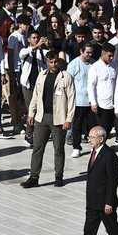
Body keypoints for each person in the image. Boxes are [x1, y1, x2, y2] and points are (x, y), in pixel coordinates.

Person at [21, 51, 76, 188]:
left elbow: (72, 99)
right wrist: (31, 113)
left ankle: (59, 176)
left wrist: (69, 119)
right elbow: (35, 96)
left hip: (58, 118)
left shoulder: (66, 77)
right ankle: (34, 177)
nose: (54, 64)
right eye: (51, 62)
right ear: (46, 62)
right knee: (38, 148)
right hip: (42, 117)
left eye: (56, 61)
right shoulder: (41, 75)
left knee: (58, 149)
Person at [67, 42, 95, 158]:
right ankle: (76, 147)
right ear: (81, 51)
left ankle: (95, 146)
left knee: (92, 125)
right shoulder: (74, 64)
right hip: (79, 100)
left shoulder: (93, 64)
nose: (89, 54)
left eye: (91, 52)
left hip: (92, 100)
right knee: (77, 125)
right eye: (87, 52)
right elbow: (68, 82)